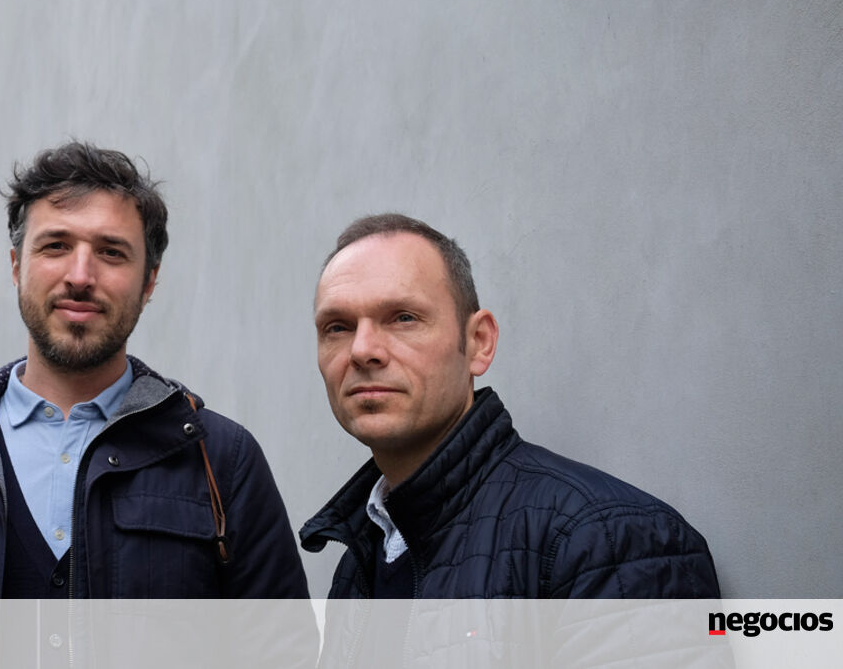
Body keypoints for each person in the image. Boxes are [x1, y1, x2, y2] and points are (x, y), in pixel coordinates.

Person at [0, 142, 311, 667]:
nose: (80, 275)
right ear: (16, 266)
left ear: (149, 281)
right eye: (56, 245)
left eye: (111, 252)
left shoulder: (222, 462)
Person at [300, 214, 721, 665]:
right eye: (337, 327)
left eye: (403, 318)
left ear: (479, 342)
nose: (363, 350)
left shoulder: (609, 539)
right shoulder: (362, 557)